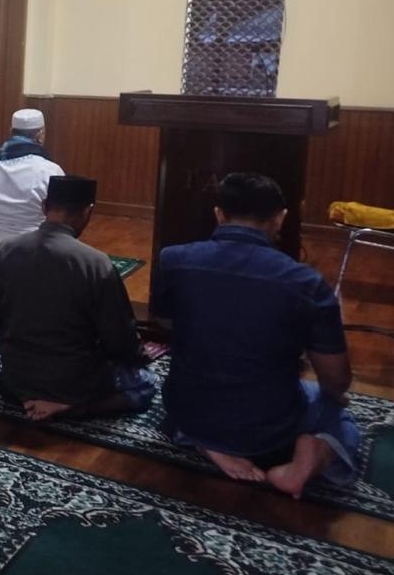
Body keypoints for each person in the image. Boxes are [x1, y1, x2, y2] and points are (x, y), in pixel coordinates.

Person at [154, 172, 360, 499]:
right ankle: (309, 460)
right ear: (280, 218)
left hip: (189, 410)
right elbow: (336, 380)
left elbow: (165, 323)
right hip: (268, 433)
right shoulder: (306, 283)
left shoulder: (172, 260)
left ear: (219, 214)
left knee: (185, 404)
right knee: (340, 418)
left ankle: (203, 440)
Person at [0, 174, 155, 421]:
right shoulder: (96, 264)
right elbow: (119, 340)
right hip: (75, 383)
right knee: (147, 383)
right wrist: (140, 356)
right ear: (88, 212)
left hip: (15, 378)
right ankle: (77, 408)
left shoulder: (4, 250)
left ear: (44, 207)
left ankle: (36, 399)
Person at [0, 108, 64, 264]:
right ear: (40, 135)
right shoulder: (50, 170)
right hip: (33, 250)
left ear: (11, 131)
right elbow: (60, 213)